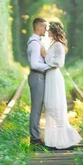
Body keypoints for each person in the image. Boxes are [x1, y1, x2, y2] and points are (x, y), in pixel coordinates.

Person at [41, 20, 82, 149]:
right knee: (50, 104)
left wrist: (45, 56)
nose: (47, 32)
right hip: (50, 76)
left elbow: (59, 63)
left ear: (53, 31)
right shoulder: (54, 44)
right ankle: (55, 140)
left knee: (54, 105)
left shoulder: (58, 45)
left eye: (48, 29)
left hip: (54, 76)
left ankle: (66, 138)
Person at [27, 17, 53, 146]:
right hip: (37, 76)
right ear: (38, 28)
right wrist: (50, 67)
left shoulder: (38, 41)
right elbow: (34, 64)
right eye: (44, 27)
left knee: (39, 107)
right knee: (36, 108)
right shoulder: (34, 43)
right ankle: (35, 138)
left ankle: (35, 136)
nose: (46, 29)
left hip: (39, 77)